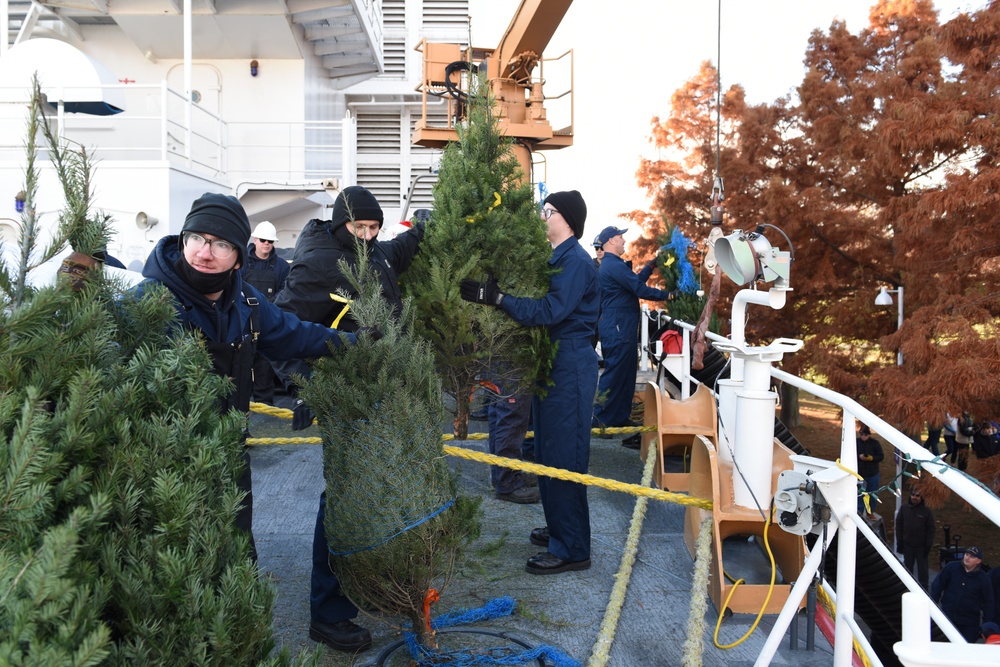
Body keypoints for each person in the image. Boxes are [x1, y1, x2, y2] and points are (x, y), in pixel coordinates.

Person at [136, 192, 363, 562]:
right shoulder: (148, 302)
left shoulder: (247, 302)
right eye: (196, 239)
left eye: (221, 244)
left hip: (230, 454)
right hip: (165, 466)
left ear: (239, 258)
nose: (204, 252)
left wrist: (353, 342)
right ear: (183, 240)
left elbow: (295, 334)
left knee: (237, 556)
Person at [273, 185, 423, 654]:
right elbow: (284, 327)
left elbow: (394, 253)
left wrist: (422, 232)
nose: (368, 236)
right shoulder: (319, 263)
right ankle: (329, 612)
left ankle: (367, 586)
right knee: (340, 500)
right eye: (360, 227)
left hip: (383, 396)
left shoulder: (374, 251)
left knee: (377, 493)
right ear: (341, 224)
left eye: (374, 228)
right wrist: (308, 387)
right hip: (346, 398)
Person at [460, 189, 599, 576]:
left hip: (569, 364)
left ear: (566, 219)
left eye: (547, 211)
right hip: (554, 363)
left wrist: (499, 298)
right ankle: (560, 528)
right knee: (549, 452)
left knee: (564, 457)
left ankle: (572, 549)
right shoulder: (558, 259)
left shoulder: (575, 262)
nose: (542, 217)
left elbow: (549, 310)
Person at [591, 225, 676, 449]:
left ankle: (619, 418)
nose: (624, 241)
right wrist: (667, 295)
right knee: (614, 373)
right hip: (618, 329)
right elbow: (639, 289)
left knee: (626, 373)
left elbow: (634, 283)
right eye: (620, 237)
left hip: (622, 328)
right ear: (610, 241)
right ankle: (599, 420)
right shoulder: (613, 265)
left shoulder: (613, 265)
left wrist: (650, 266)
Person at [239, 220, 290, 405]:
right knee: (241, 364)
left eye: (270, 241)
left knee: (264, 365)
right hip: (243, 320)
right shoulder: (242, 262)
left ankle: (265, 407)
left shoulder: (282, 266)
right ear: (255, 239)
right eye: (263, 240)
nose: (266, 244)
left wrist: (269, 308)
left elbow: (286, 291)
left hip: (267, 321)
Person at [930, 545, 995, 642]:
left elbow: (988, 603)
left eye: (972, 557)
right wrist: (932, 609)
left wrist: (986, 626)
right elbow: (937, 587)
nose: (967, 558)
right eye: (966, 554)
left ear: (978, 561)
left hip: (969, 624)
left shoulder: (983, 579)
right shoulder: (951, 568)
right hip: (947, 618)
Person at [895, 488, 935, 588]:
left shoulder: (927, 511)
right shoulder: (904, 508)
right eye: (913, 495)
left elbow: (931, 529)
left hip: (921, 547)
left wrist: (928, 545)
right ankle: (907, 587)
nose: (915, 497)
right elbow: (899, 524)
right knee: (907, 569)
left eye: (917, 495)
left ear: (921, 498)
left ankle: (924, 589)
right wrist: (899, 541)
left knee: (923, 570)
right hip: (907, 545)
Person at [856, 424, 884, 513]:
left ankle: (870, 512)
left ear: (869, 435)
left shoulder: (875, 443)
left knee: (872, 494)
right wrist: (859, 457)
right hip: (859, 474)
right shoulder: (855, 442)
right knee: (859, 494)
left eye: (865, 435)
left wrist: (871, 458)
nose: (863, 437)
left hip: (872, 474)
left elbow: (881, 456)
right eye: (862, 434)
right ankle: (859, 511)